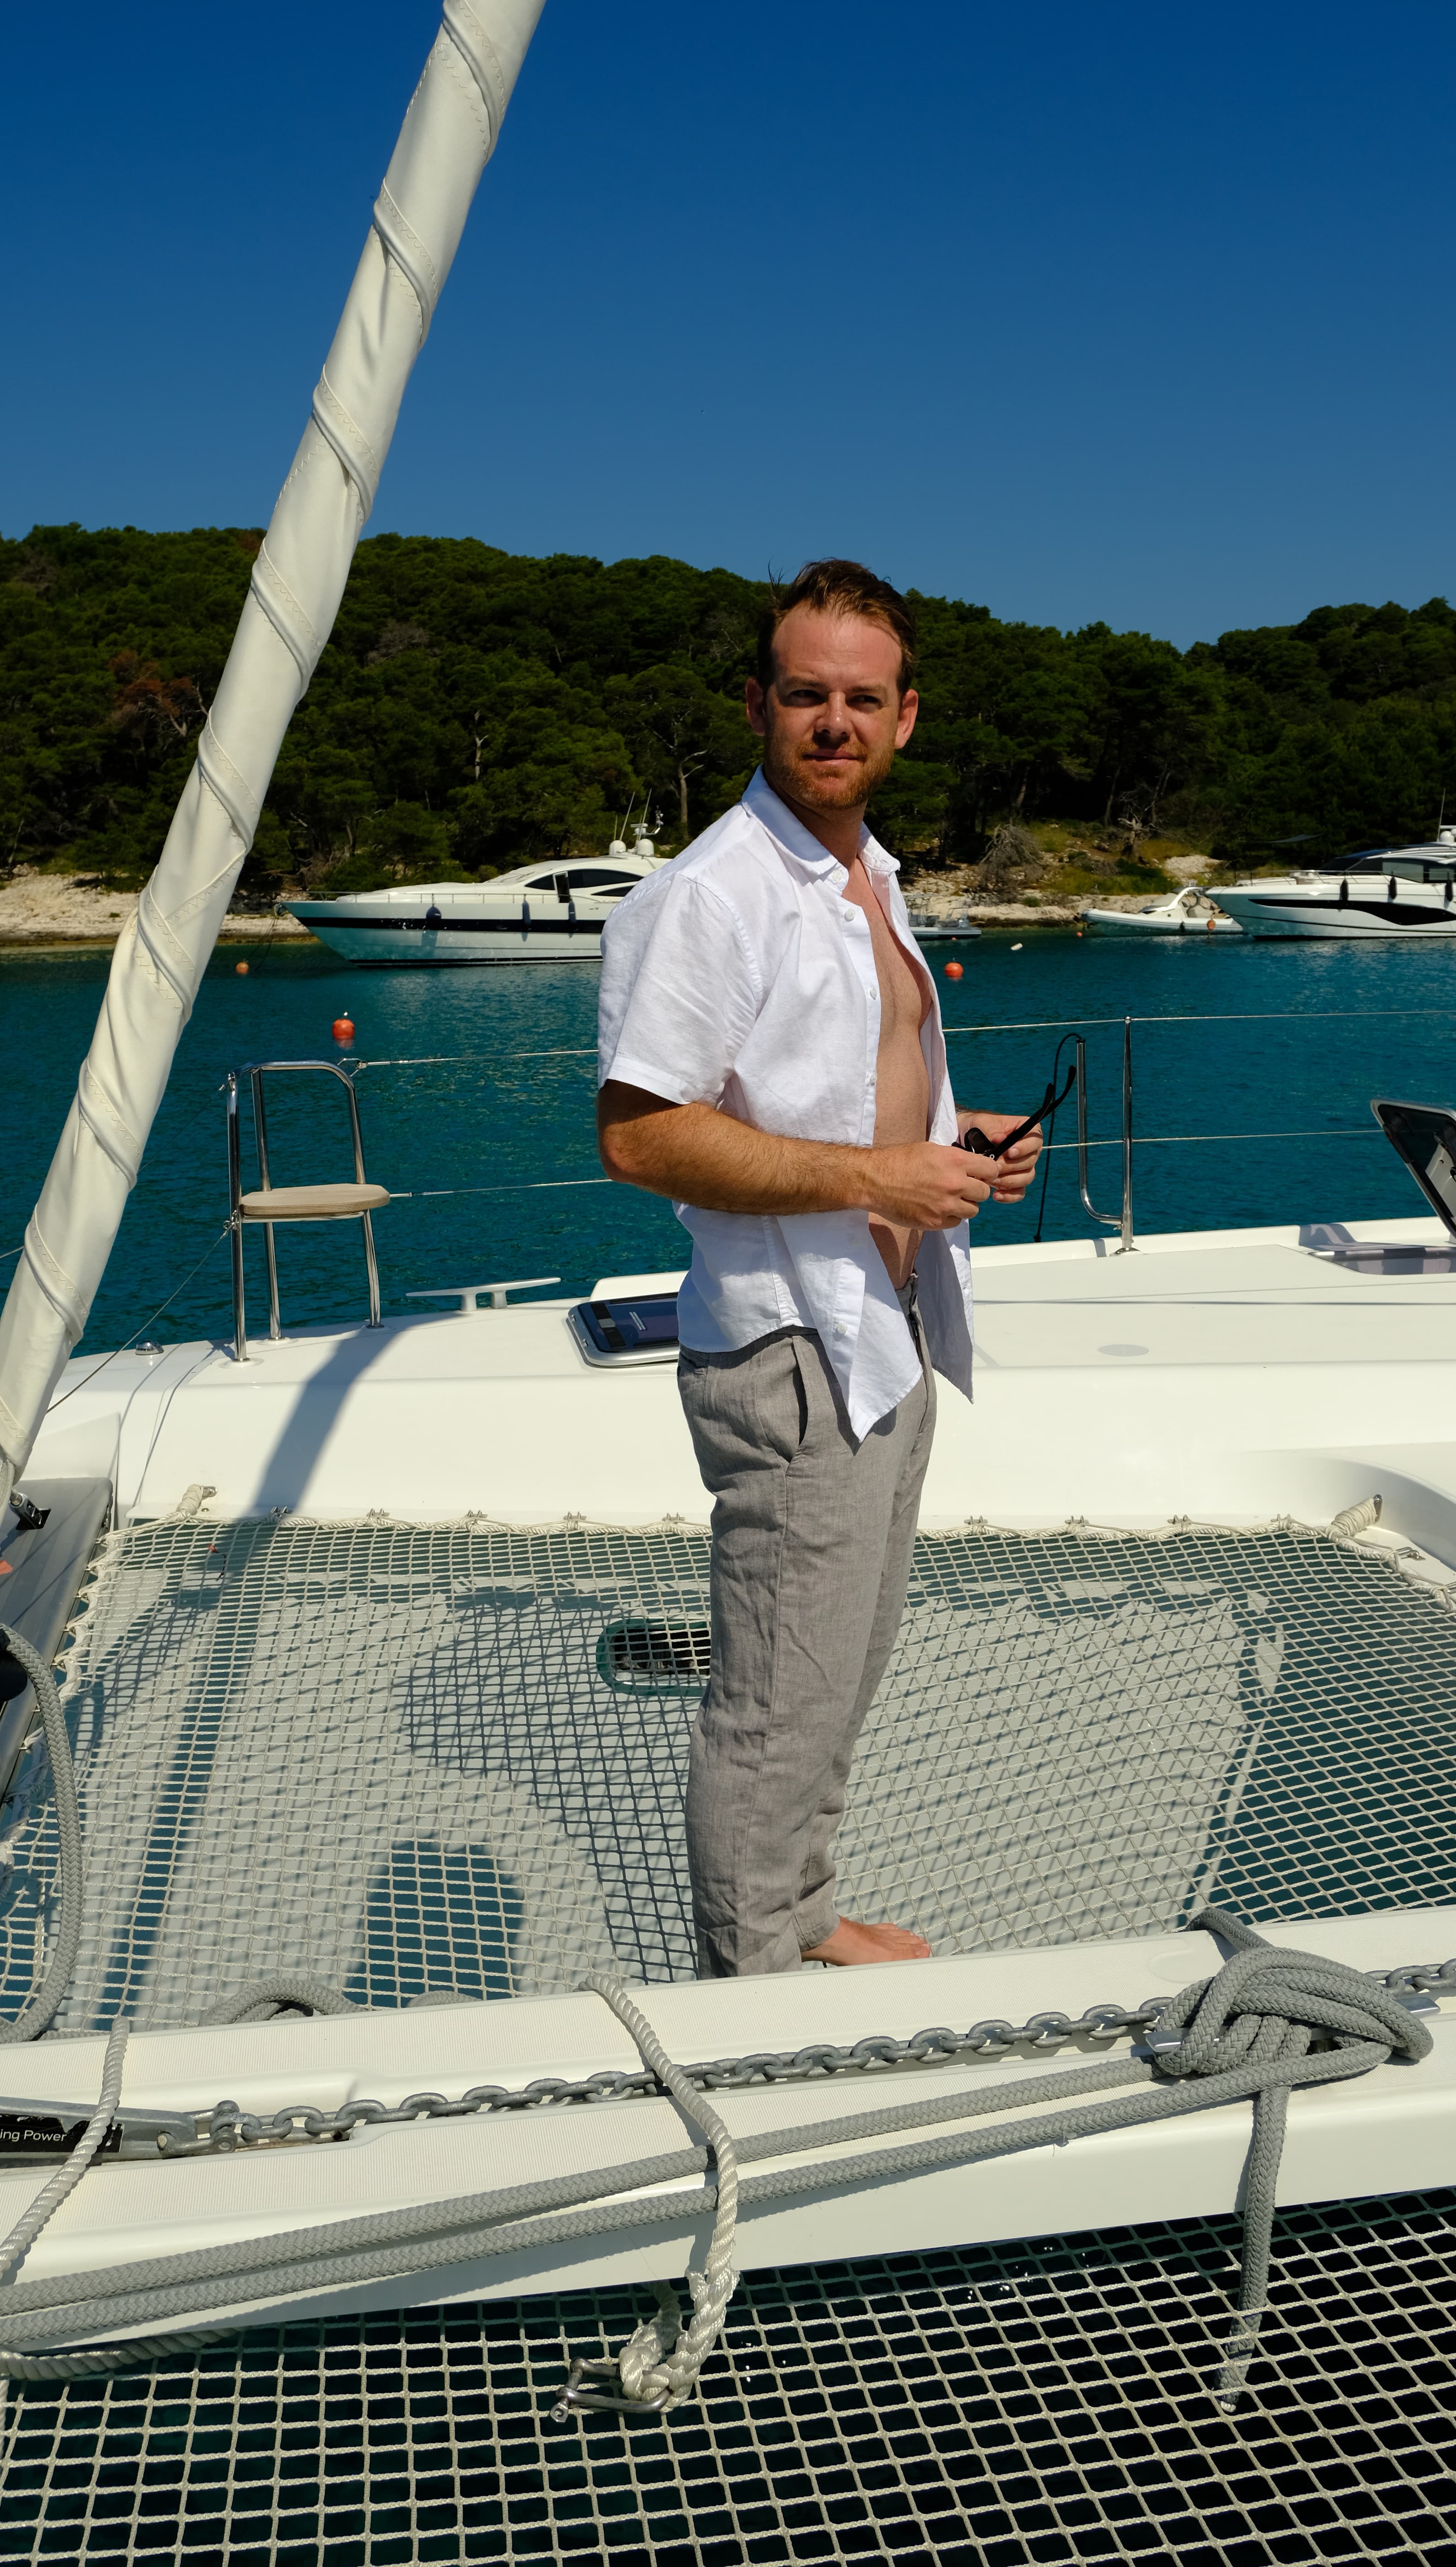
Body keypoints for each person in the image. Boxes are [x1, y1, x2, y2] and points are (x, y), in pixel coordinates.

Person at [595, 559, 1042, 1978]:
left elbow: (841, 1084)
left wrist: (944, 1139)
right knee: (776, 1705)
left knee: (838, 1670)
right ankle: (755, 1998)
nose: (833, 723)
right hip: (794, 1355)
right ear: (759, 707)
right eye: (806, 696)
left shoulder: (871, 880)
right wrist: (877, 1176)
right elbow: (641, 1137)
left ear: (906, 718)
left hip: (885, 1330)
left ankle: (797, 1912)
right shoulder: (712, 897)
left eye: (862, 698)